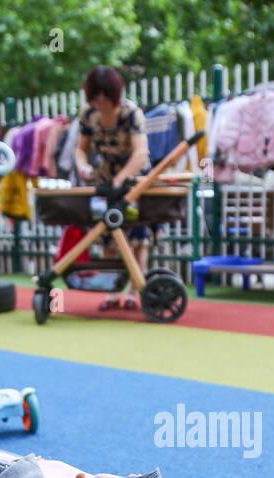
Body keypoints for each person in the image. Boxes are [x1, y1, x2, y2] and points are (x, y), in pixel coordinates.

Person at [74, 66, 150, 311]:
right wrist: (82, 165)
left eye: (106, 97)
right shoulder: (88, 115)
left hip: (132, 181)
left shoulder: (131, 114)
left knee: (137, 234)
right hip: (104, 181)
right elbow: (80, 148)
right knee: (107, 233)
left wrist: (121, 180)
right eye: (97, 98)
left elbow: (141, 152)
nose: (102, 103)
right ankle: (113, 290)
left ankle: (134, 291)